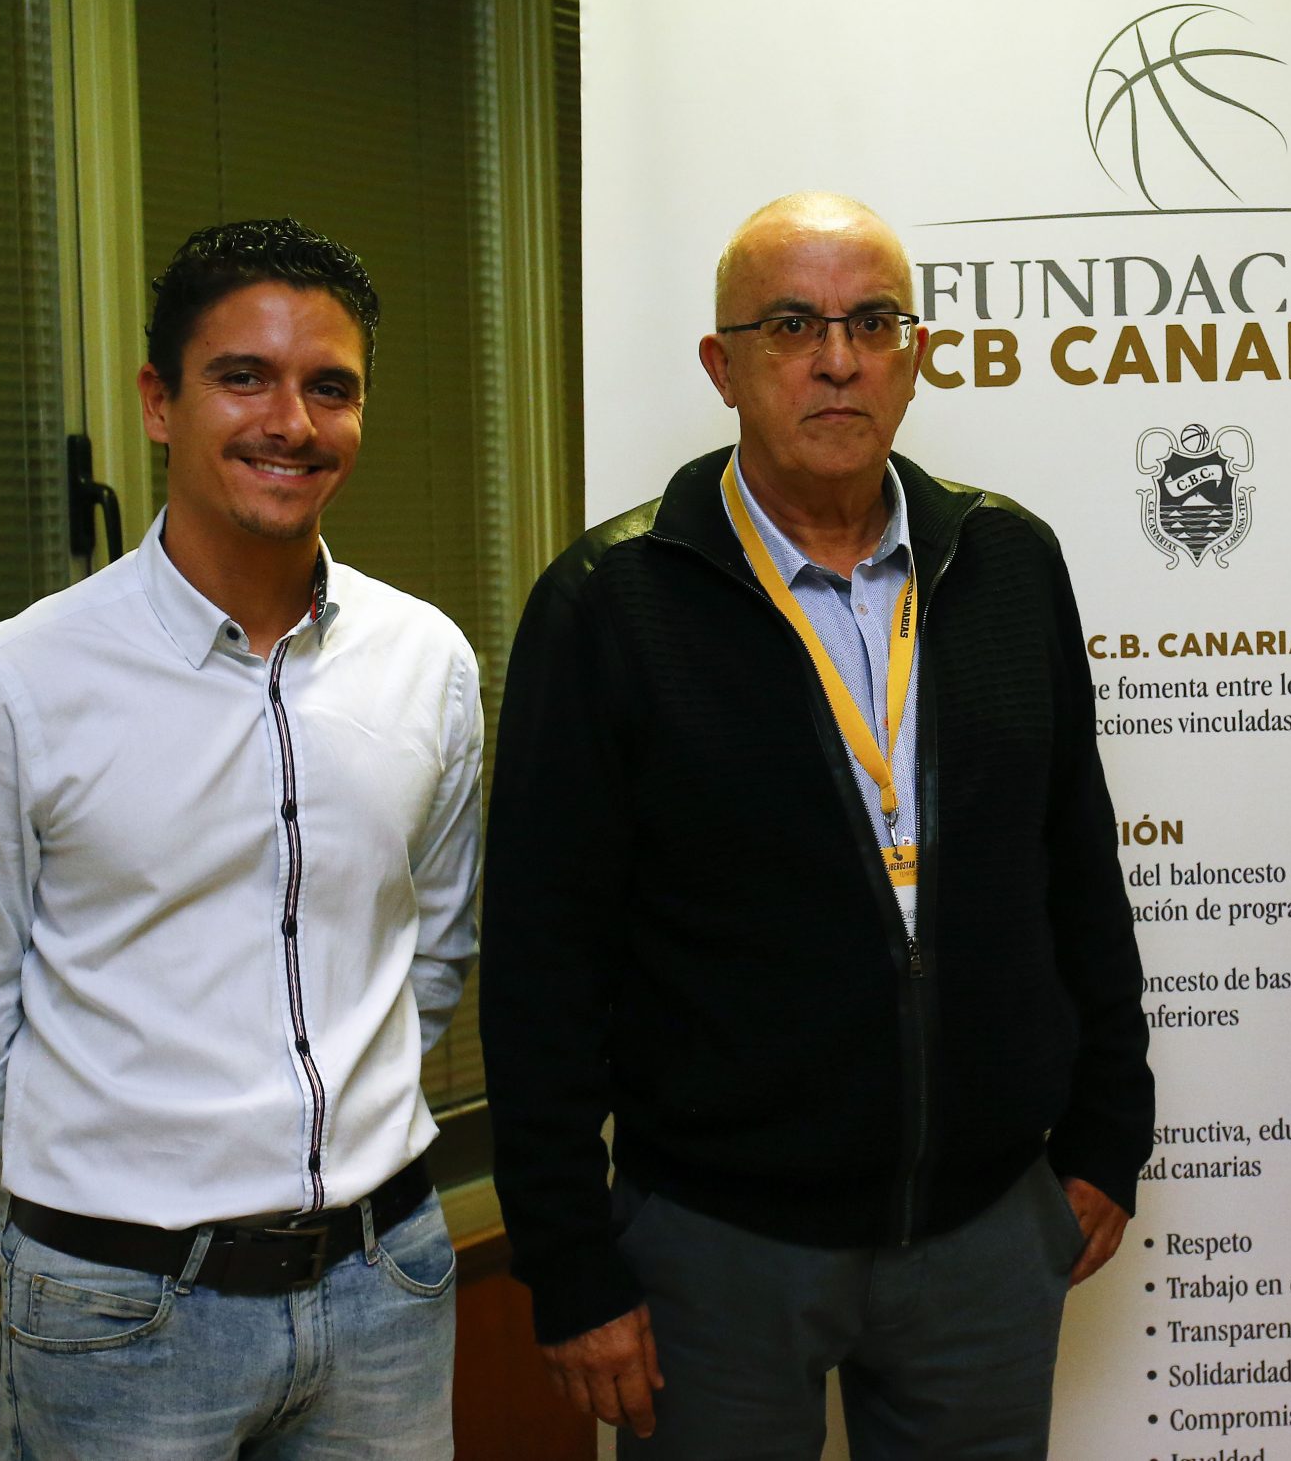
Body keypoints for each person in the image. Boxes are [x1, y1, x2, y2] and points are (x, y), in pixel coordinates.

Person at [479, 191, 1154, 1459]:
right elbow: (540, 962)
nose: (838, 359)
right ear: (721, 365)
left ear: (915, 354)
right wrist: (569, 1259)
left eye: (872, 323)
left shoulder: (1008, 564)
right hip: (715, 1247)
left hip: (983, 1231)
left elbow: (1076, 864)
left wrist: (1110, 1135)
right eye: (792, 325)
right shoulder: (613, 602)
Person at [0, 218, 482, 1459]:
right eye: (243, 378)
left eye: (331, 388)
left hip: (388, 1289)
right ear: (160, 404)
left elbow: (429, 951)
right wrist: (93, 1229)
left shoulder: (426, 661)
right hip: (123, 1321)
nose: (291, 423)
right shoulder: (11, 686)